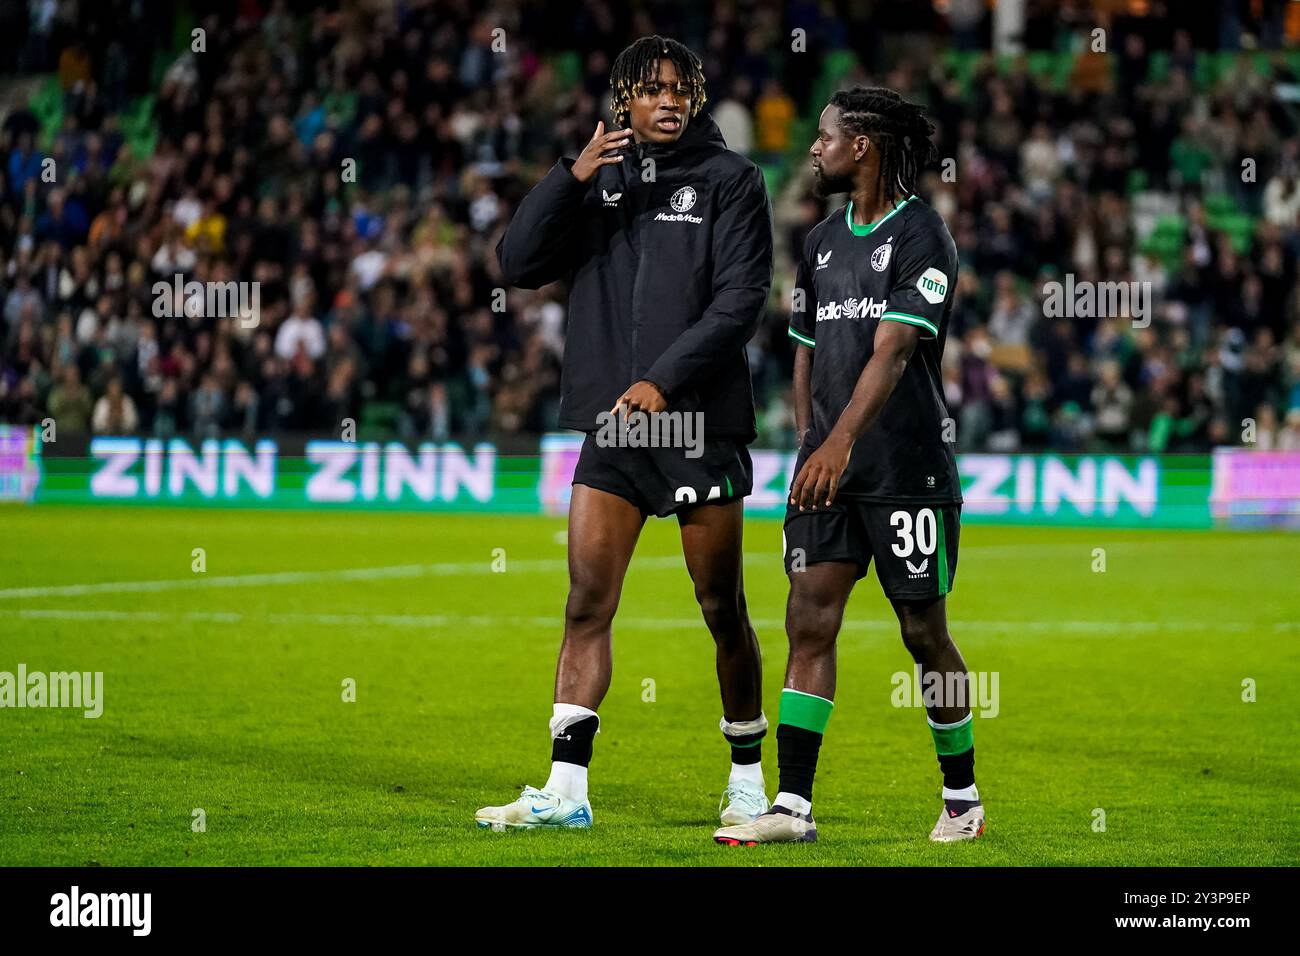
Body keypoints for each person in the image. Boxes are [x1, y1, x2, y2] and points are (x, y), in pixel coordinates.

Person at [476, 36, 774, 833]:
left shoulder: (732, 182)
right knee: (585, 603)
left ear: (698, 98)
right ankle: (566, 789)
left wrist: (662, 379)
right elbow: (514, 263)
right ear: (623, 102)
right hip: (615, 427)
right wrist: (569, 177)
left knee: (721, 607)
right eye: (651, 89)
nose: (668, 100)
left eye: (681, 88)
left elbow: (741, 300)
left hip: (697, 423)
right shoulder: (596, 185)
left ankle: (747, 777)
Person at [715, 87, 983, 846]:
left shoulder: (924, 234)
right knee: (809, 620)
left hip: (906, 470)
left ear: (861, 145)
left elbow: (895, 351)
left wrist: (842, 441)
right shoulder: (823, 240)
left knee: (923, 632)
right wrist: (811, 438)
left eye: (825, 136)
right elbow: (804, 349)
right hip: (828, 473)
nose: (814, 148)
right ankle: (792, 806)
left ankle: (961, 798)